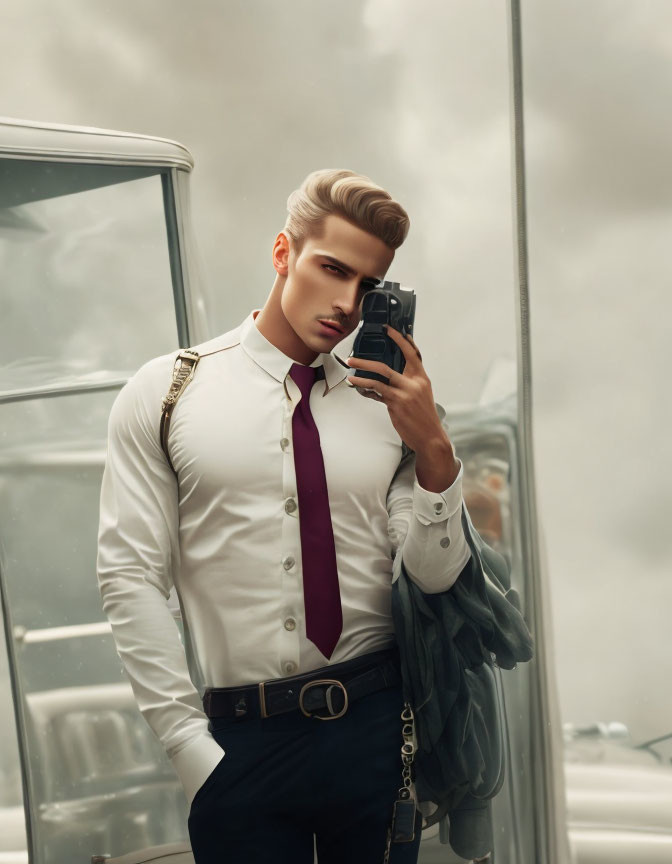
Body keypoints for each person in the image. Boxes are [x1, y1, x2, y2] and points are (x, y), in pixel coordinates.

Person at [96, 168, 472, 863]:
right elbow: (128, 576)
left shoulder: (391, 408)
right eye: (331, 268)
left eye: (367, 285)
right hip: (240, 745)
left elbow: (434, 574)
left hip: (375, 731)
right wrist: (190, 750)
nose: (345, 302)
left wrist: (434, 450)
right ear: (282, 254)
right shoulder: (168, 391)